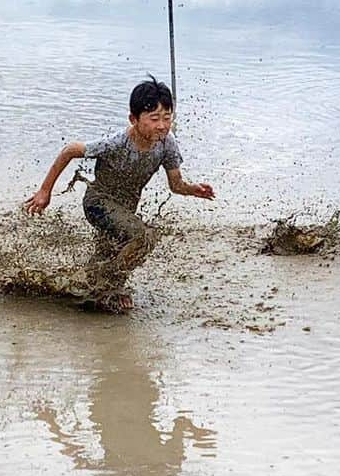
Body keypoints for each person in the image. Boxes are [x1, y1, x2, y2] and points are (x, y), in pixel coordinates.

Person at [23, 77, 215, 310]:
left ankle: (80, 287)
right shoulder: (118, 142)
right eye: (154, 119)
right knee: (144, 237)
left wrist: (192, 190)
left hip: (124, 211)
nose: (162, 126)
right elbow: (70, 150)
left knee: (108, 255)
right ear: (134, 120)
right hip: (98, 203)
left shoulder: (167, 144)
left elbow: (175, 184)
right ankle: (111, 287)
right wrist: (45, 192)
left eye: (167, 118)